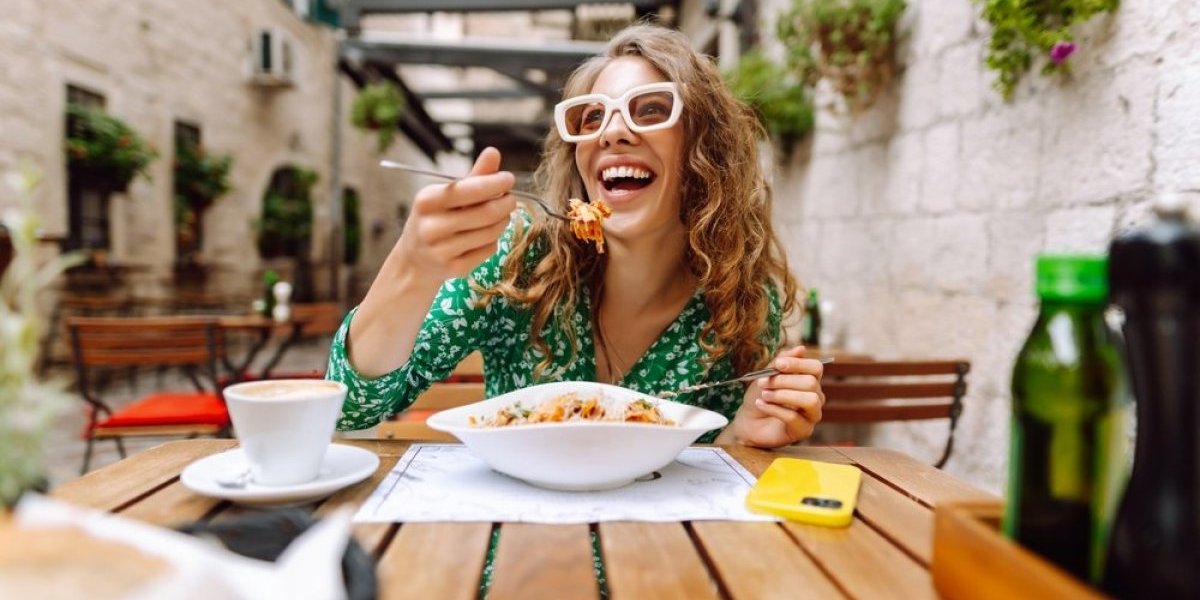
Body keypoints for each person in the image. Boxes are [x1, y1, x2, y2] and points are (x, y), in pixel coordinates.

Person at [327, 24, 825, 447]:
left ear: (705, 151)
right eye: (591, 117)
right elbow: (348, 410)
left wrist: (745, 430)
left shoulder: (738, 303)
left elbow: (706, 474)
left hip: (657, 555)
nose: (612, 132)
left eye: (650, 109)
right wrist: (413, 268)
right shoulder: (516, 262)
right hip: (519, 546)